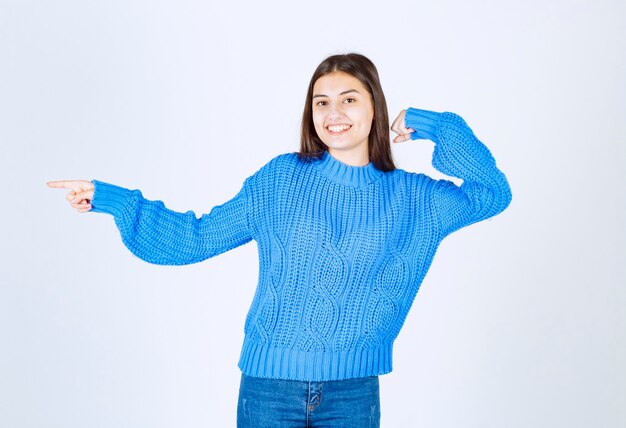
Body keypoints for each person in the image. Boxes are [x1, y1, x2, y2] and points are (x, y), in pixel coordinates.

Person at [48, 53, 512, 427]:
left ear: (376, 107)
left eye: (349, 99)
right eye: (321, 102)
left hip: (353, 391)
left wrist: (433, 124)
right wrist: (114, 201)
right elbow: (196, 237)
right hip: (267, 389)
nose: (334, 113)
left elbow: (491, 194)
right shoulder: (280, 180)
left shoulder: (415, 197)